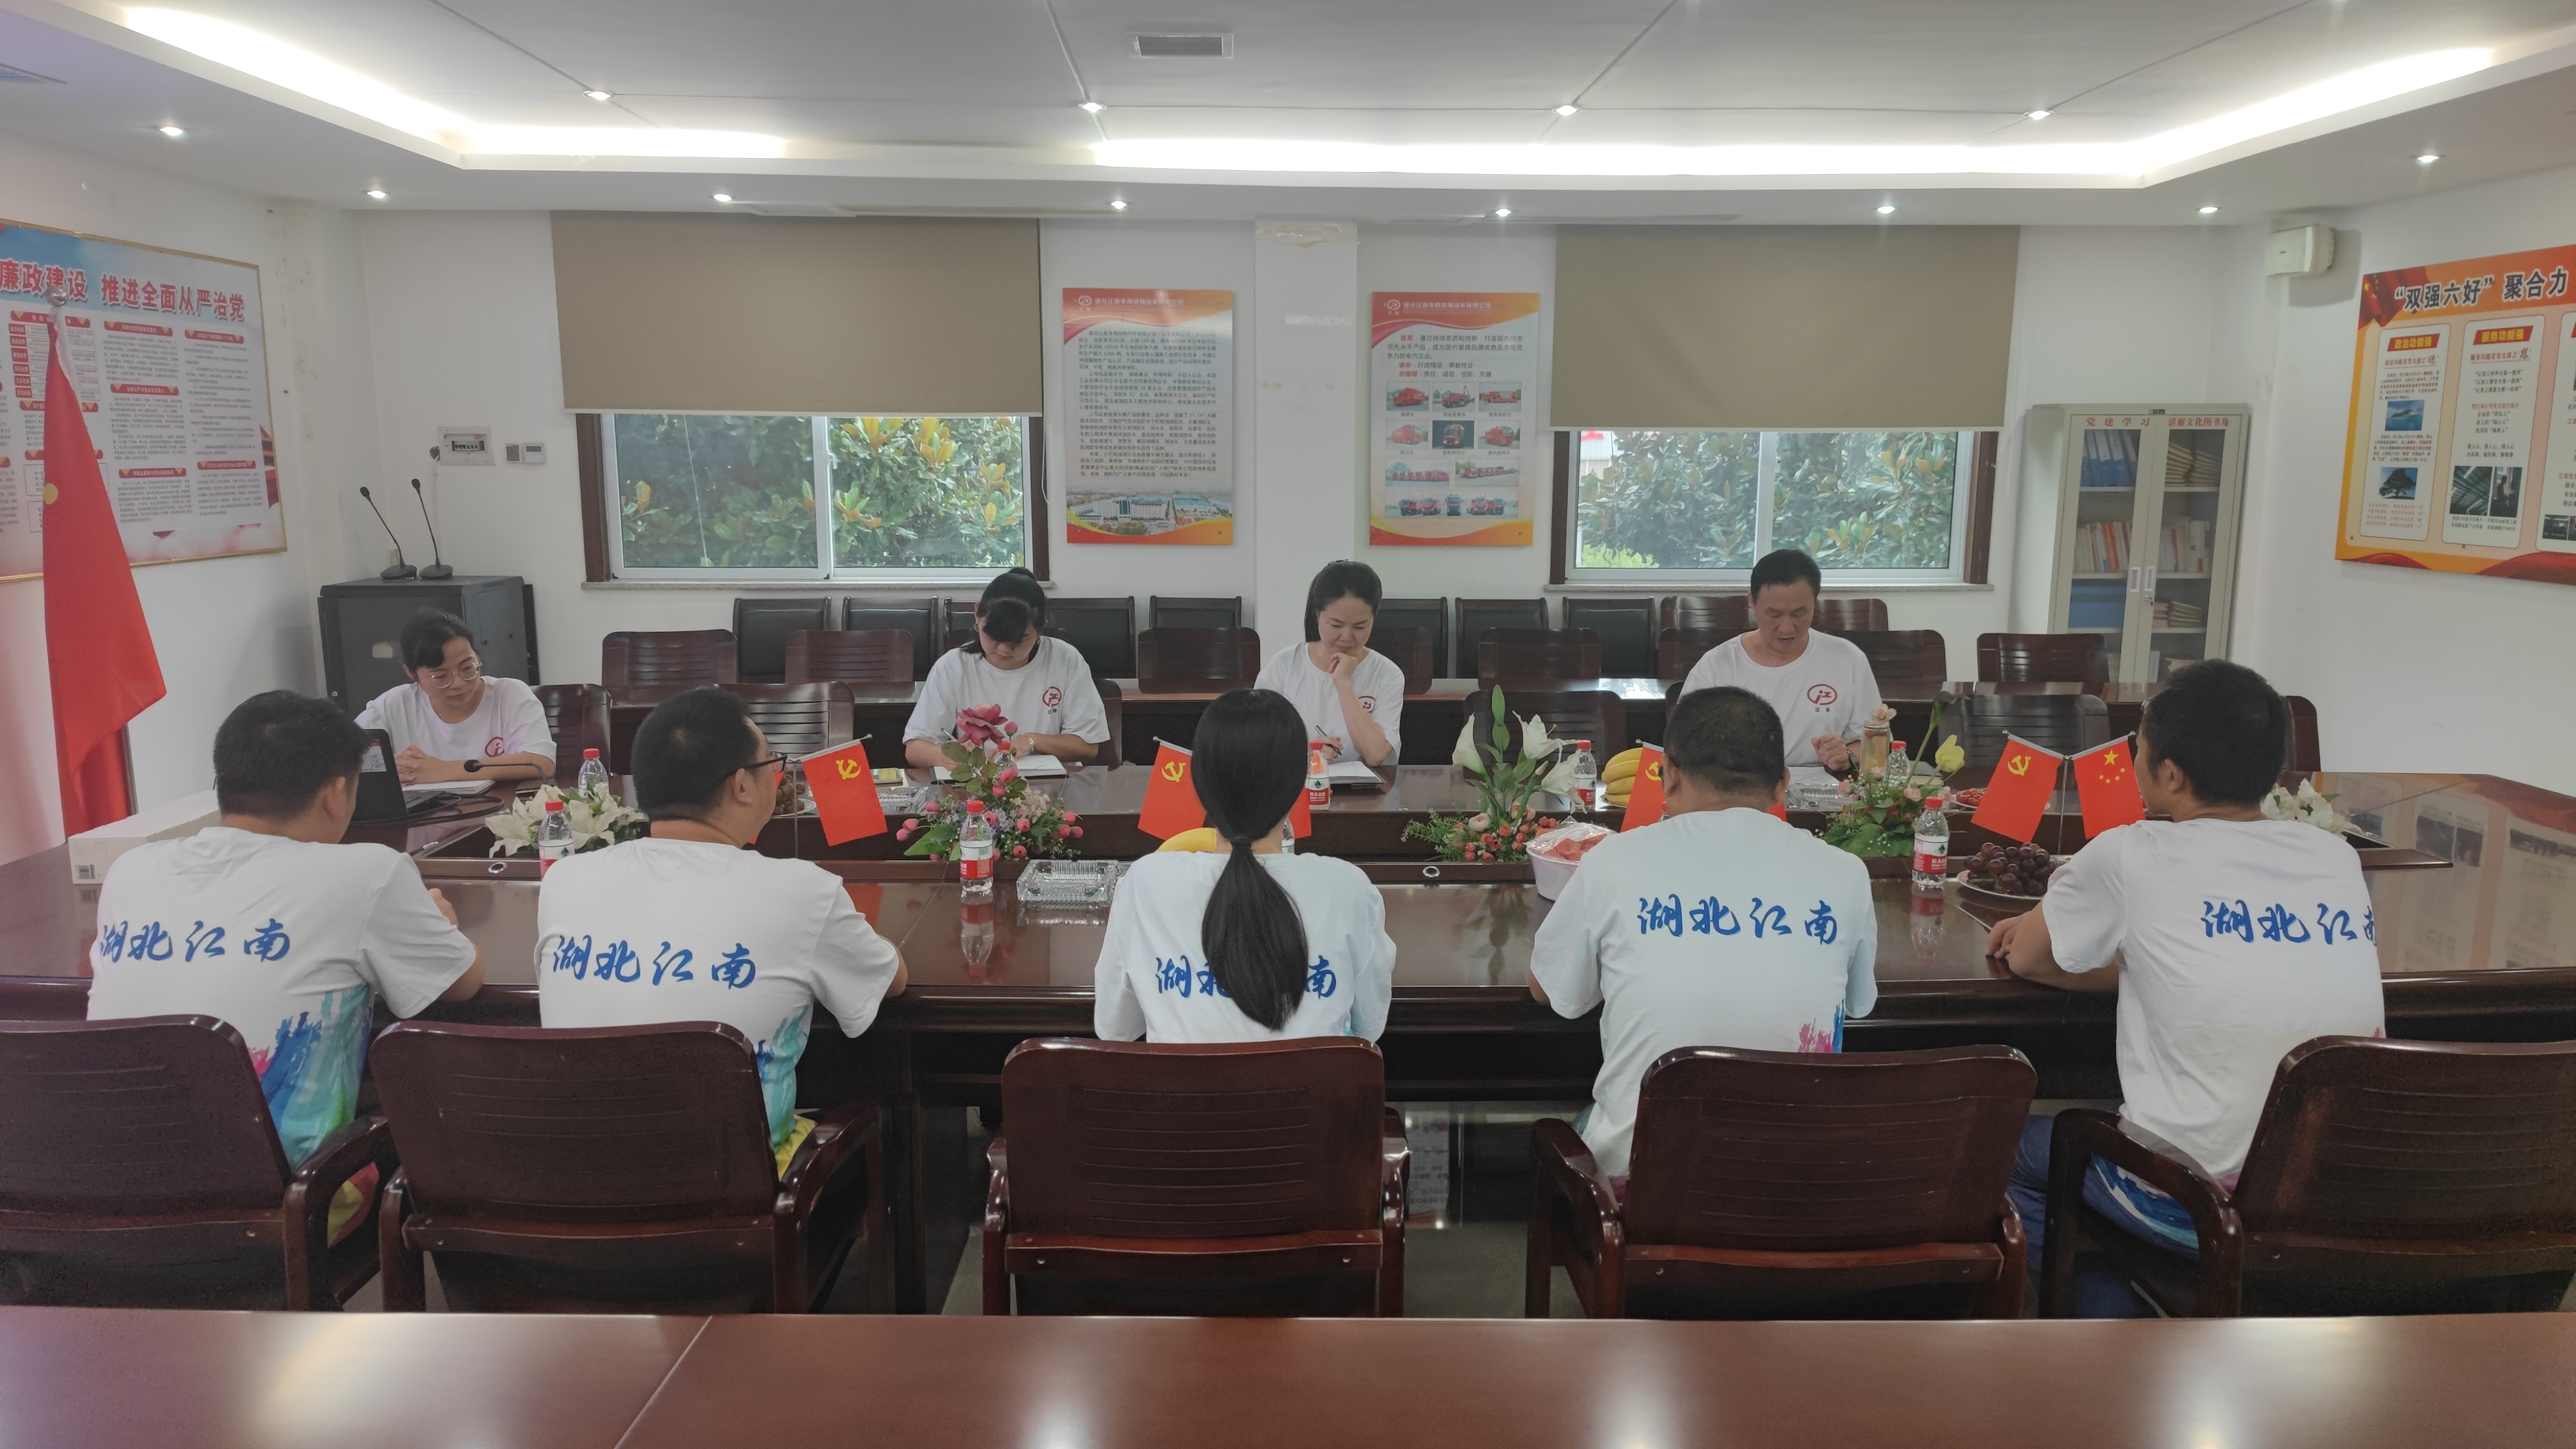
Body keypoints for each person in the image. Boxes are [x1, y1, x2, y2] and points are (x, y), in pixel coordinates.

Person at [1988, 660, 2383, 1313]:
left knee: (2001, 1149)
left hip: (2193, 1206)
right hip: (2336, 1190)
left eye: (2138, 747)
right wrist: (2158, 967)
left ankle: (2109, 1330)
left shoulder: (2131, 852)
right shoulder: (2336, 858)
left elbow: (2029, 959)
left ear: (2169, 774)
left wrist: (2143, 965)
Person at [87, 690, 484, 1204]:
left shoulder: (131, 871)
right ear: (336, 794)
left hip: (112, 1196)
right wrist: (440, 926)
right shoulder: (366, 872)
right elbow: (462, 985)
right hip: (290, 1206)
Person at [538, 687, 908, 1167]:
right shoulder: (803, 891)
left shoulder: (565, 878)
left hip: (575, 1180)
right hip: (734, 1191)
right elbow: (891, 980)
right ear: (741, 785)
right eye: (771, 764)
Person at [1528, 686, 1877, 1176]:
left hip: (1647, 1187)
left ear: (1668, 774)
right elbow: (1858, 1004)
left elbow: (1548, 990)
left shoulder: (1614, 861)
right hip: (1796, 1181)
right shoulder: (1846, 873)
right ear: (1782, 784)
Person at [1095, 687, 1395, 1043]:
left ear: (1199, 784)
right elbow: (1369, 1028)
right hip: (1315, 1082)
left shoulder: (1145, 883)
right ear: (1297, 785)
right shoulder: (1348, 887)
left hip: (1180, 1083)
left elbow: (1115, 1030)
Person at [1678, 548, 1882, 788]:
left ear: (1815, 603)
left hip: (1822, 792)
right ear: (1752, 602)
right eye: (1774, 614)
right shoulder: (1717, 665)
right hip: (1737, 790)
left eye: (1799, 613)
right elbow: (1685, 746)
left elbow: (1874, 743)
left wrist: (1847, 756)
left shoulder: (1847, 659)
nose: (1787, 628)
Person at [903, 568, 1108, 769]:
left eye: (1017, 641)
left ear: (1039, 630)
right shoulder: (953, 666)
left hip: (1052, 785)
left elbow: (1088, 746)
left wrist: (1031, 741)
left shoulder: (1065, 659)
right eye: (994, 636)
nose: (1003, 650)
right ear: (977, 615)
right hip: (978, 785)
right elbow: (915, 749)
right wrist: (944, 756)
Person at [355, 609, 553, 786]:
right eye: (441, 676)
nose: (458, 683)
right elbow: (345, 765)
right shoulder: (391, 708)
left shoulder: (509, 695)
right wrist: (386, 769)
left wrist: (442, 770)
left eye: (467, 668)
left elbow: (541, 763)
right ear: (411, 673)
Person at [1254, 560, 1404, 767]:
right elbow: (1257, 743)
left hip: (1364, 787)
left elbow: (1376, 754)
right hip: (1298, 782)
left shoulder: (1387, 674)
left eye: (1360, 627)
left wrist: (1343, 683)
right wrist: (1308, 753)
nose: (1346, 637)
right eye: (1335, 625)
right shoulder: (1285, 665)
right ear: (1317, 615)